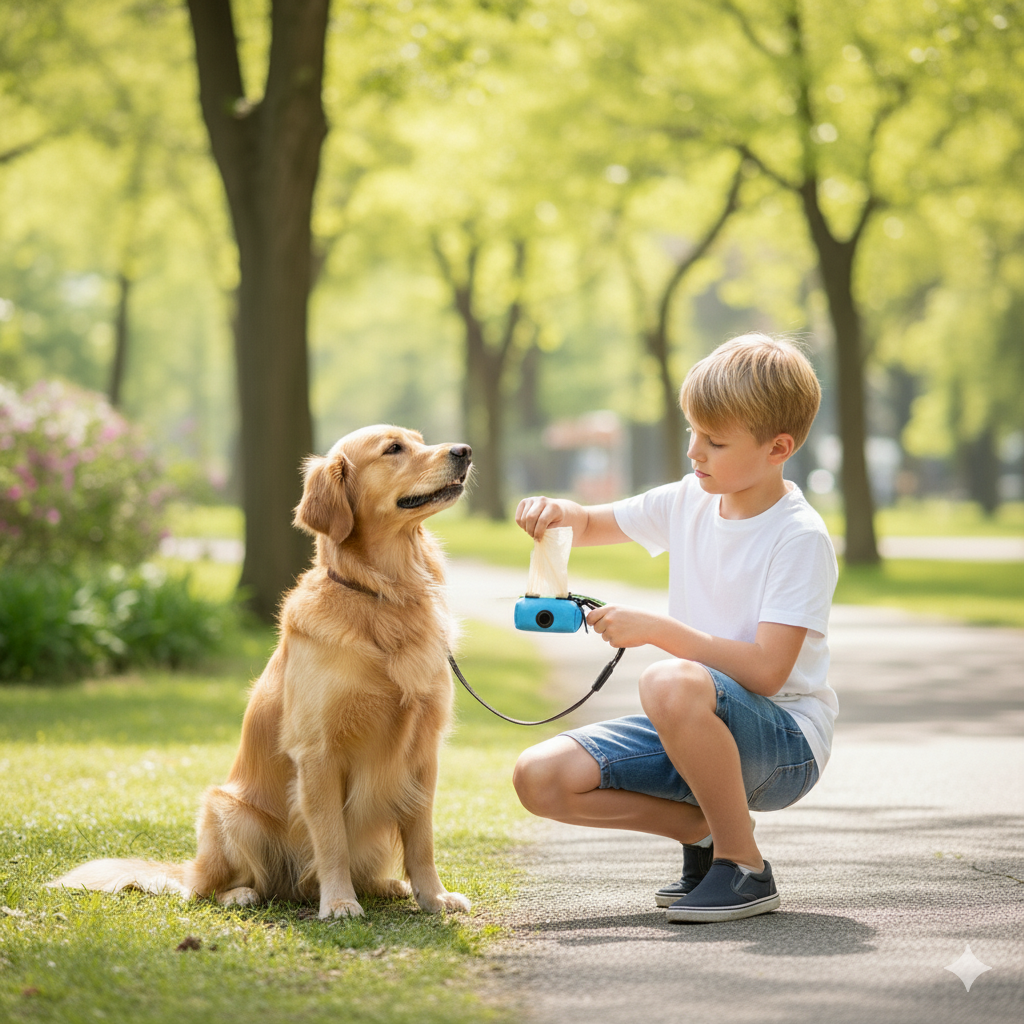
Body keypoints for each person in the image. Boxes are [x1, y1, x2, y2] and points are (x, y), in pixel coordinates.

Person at [512, 334, 838, 923]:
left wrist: (658, 629)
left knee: (668, 680)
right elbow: (589, 522)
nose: (695, 452)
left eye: (714, 440)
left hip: (784, 743)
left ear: (777, 447)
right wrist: (555, 512)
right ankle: (706, 830)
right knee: (539, 778)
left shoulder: (799, 536)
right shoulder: (690, 499)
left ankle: (743, 867)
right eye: (693, 432)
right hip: (693, 723)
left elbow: (767, 671)